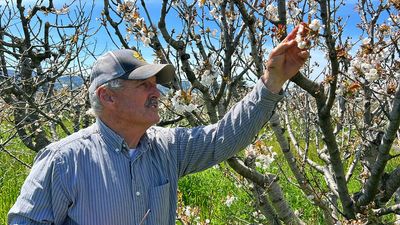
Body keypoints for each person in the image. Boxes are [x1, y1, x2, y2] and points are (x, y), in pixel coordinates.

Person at [8, 27, 309, 225]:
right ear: (107, 96)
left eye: (156, 85)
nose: (157, 93)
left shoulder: (168, 147)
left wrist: (272, 82)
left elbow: (224, 137)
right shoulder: (63, 161)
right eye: (144, 85)